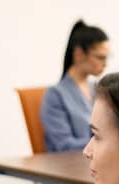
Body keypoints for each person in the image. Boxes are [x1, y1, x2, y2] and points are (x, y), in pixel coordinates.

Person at [41, 20, 109, 152]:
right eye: (100, 57)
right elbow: (64, 145)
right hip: (70, 166)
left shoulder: (98, 89)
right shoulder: (55, 95)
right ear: (79, 54)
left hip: (96, 164)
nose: (105, 64)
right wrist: (107, 142)